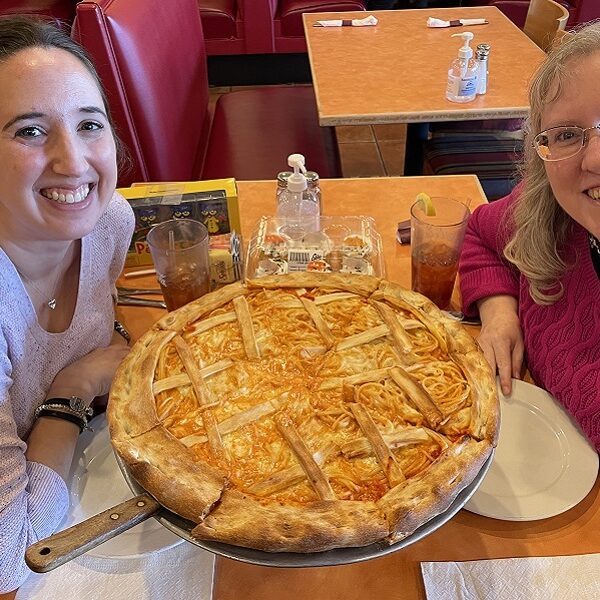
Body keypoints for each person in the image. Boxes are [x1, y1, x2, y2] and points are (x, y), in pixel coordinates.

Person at [0, 16, 135, 592]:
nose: (74, 162)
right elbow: (8, 557)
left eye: (89, 124)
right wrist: (73, 389)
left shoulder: (108, 223)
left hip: (88, 472)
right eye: (30, 131)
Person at [459, 23, 600, 451]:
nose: (594, 159)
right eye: (567, 135)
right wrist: (500, 312)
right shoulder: (555, 212)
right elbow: (481, 237)